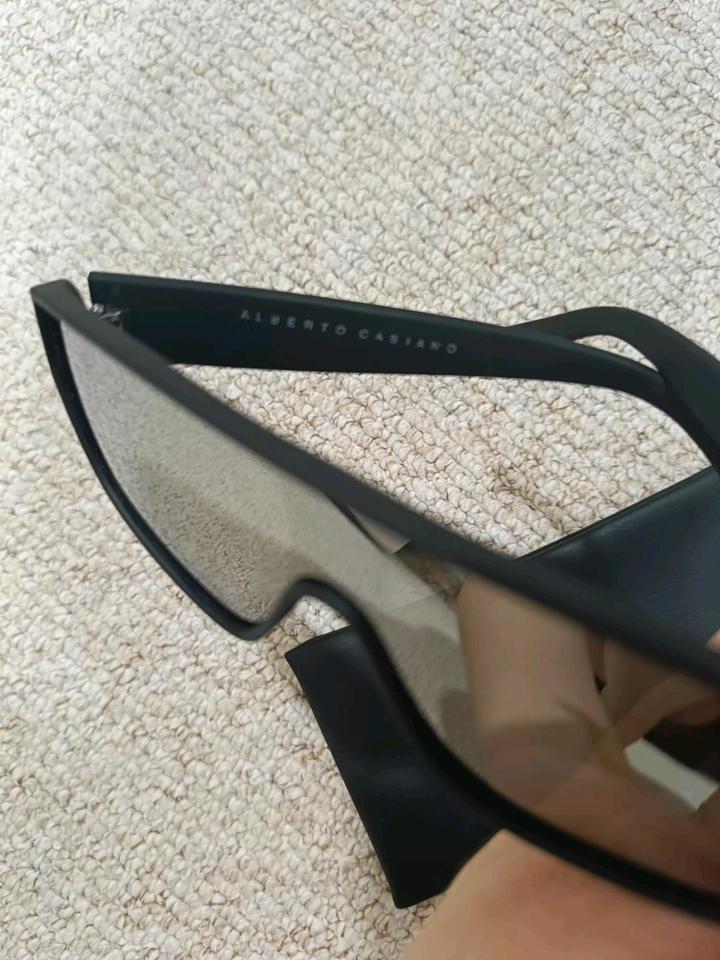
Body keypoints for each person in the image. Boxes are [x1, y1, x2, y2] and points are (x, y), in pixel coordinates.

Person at [404, 578, 720, 959]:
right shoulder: (566, 808)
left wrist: (618, 715)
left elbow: (503, 599)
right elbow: (504, 600)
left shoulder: (566, 807)